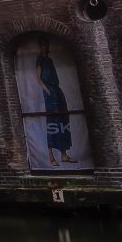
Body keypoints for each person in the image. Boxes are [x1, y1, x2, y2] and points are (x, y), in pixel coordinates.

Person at [35, 38, 76, 166]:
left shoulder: (49, 60)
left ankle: (64, 155)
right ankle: (51, 157)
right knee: (52, 122)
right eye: (43, 45)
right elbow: (38, 78)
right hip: (50, 93)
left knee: (62, 120)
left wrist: (55, 91)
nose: (45, 48)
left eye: (46, 45)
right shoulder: (40, 60)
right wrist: (47, 91)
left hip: (57, 91)